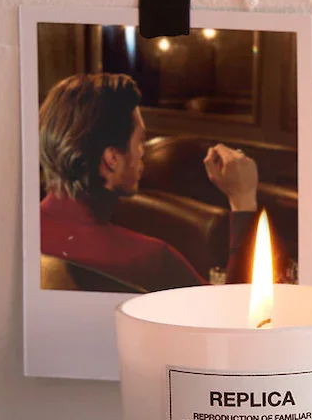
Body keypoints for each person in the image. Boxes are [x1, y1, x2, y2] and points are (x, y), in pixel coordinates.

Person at [38, 72, 260, 292]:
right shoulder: (151, 260)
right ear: (112, 160)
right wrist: (243, 199)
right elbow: (235, 314)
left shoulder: (16, 236)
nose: (142, 152)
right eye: (140, 141)